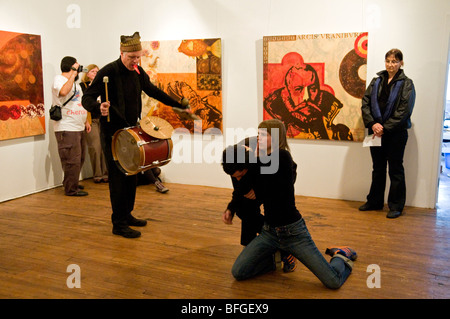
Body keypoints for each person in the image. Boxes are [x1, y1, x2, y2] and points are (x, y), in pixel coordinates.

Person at [222, 119, 356, 289]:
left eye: (264, 134)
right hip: (269, 233)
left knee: (333, 281)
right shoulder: (255, 162)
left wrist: (252, 158)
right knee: (239, 272)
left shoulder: (283, 157)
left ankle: (341, 255)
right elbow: (242, 188)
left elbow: (270, 184)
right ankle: (277, 259)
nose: (259, 137)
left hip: (294, 233)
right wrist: (231, 208)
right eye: (258, 133)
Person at [82, 32, 190, 238]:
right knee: (117, 178)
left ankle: (127, 215)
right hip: (113, 134)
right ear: (121, 53)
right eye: (132, 57)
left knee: (133, 174)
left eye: (138, 57)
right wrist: (98, 107)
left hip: (132, 132)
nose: (136, 61)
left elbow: (153, 91)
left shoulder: (138, 72)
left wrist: (177, 104)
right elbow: (87, 98)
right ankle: (118, 223)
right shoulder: (108, 72)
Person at [222, 136, 297, 272]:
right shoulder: (234, 161)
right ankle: (251, 247)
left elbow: (291, 171)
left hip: (278, 182)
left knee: (276, 212)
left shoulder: (265, 156)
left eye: (240, 175)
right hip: (254, 179)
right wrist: (230, 209)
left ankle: (288, 247)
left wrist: (261, 190)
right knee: (244, 209)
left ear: (249, 165)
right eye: (235, 177)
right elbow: (239, 191)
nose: (237, 179)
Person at [360, 49, 416, 219]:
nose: (391, 65)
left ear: (401, 63)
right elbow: (366, 103)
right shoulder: (377, 80)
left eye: (394, 61)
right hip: (375, 132)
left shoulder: (407, 83)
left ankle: (396, 205)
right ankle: (375, 202)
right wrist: (373, 124)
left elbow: (404, 110)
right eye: (388, 61)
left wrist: (385, 127)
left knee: (396, 169)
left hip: (395, 134)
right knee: (377, 168)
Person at [52, 56, 90, 196]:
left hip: (78, 126)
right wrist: (73, 74)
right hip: (66, 127)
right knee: (71, 159)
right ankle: (70, 189)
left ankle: (71, 182)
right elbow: (62, 92)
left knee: (79, 158)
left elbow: (79, 103)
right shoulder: (59, 79)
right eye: (77, 67)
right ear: (70, 66)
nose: (79, 70)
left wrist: (85, 121)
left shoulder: (76, 84)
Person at [81, 64, 109, 183]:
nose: (95, 74)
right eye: (93, 71)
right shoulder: (82, 86)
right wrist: (85, 121)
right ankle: (97, 174)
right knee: (95, 147)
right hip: (90, 120)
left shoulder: (102, 86)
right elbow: (82, 104)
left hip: (101, 119)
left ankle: (106, 173)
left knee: (104, 147)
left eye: (97, 71)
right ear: (87, 74)